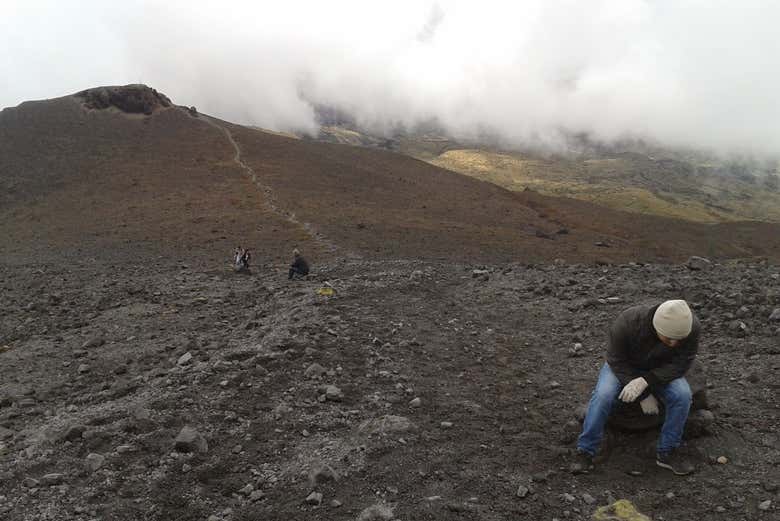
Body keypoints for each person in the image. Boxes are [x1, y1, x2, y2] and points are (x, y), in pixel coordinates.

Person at [572, 299, 700, 476]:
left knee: (683, 395)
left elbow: (681, 363)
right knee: (603, 395)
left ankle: (667, 451)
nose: (674, 344)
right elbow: (616, 360)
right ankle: (586, 450)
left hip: (660, 371)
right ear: (656, 328)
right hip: (623, 367)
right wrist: (643, 396)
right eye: (669, 339)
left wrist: (646, 382)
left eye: (678, 340)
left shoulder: (691, 327)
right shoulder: (628, 322)